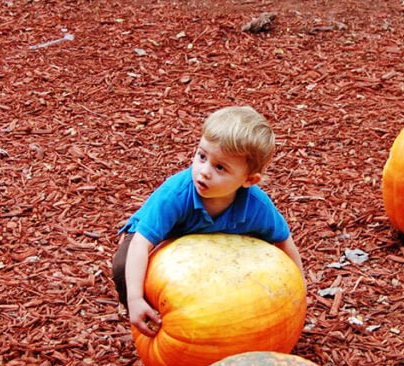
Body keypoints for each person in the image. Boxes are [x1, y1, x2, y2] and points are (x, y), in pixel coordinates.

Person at [111, 105, 303, 337]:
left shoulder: (257, 206)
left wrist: (298, 295)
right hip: (165, 238)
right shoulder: (176, 194)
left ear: (249, 180)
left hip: (213, 249)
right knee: (124, 263)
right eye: (202, 156)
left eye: (220, 167)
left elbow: (284, 243)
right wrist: (134, 298)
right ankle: (142, 310)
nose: (203, 171)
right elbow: (142, 243)